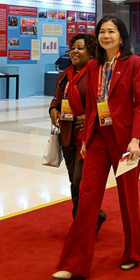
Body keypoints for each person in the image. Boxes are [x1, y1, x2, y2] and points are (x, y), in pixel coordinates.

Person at [53, 15, 140, 280]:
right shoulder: (94, 65)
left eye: (112, 31)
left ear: (121, 36)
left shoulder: (133, 63)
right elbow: (94, 106)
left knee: (128, 200)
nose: (106, 36)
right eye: (102, 31)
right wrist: (84, 141)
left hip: (125, 141)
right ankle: (74, 262)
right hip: (97, 139)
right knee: (87, 199)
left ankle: (132, 254)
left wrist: (136, 139)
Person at [49, 33, 106, 230]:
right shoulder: (65, 74)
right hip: (67, 135)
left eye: (80, 48)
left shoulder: (98, 74)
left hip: (87, 136)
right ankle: (90, 217)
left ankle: (83, 224)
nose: (75, 51)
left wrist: (92, 116)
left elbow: (106, 103)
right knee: (74, 183)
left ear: (91, 52)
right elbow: (57, 98)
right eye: (73, 47)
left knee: (80, 182)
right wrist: (53, 109)